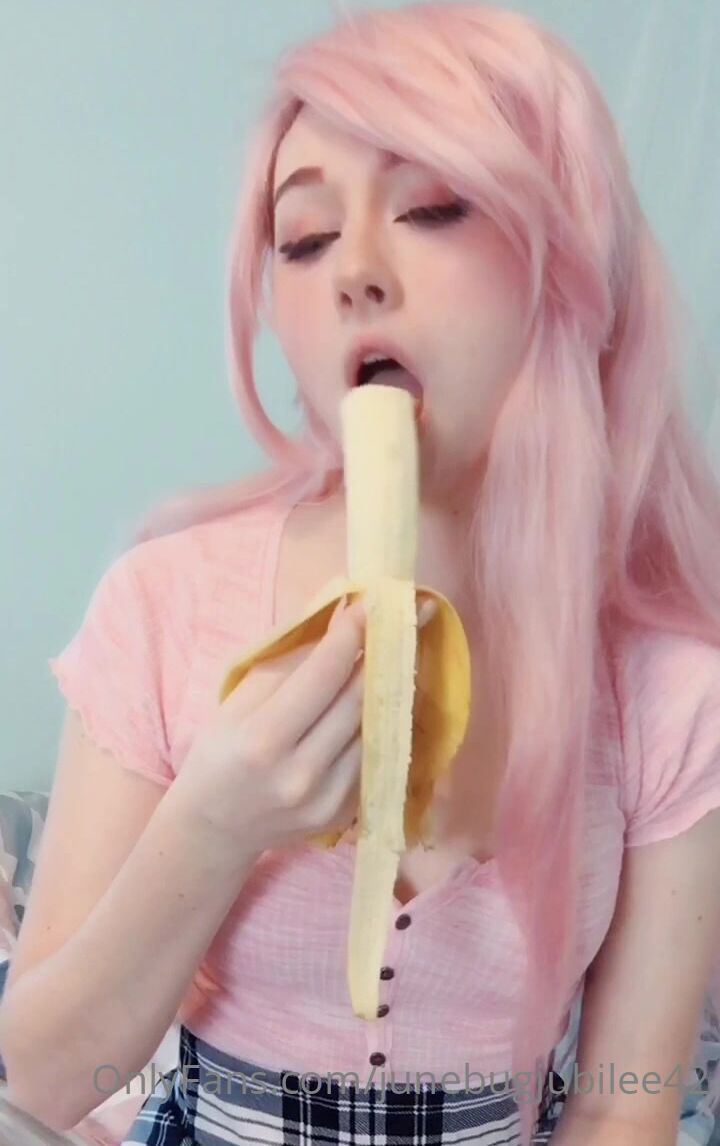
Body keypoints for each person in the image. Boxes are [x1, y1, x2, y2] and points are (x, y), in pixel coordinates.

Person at [2, 3, 720, 1144]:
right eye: (304, 238)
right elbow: (41, 1086)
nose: (355, 276)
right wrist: (213, 827)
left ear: (577, 269)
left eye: (432, 208)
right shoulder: (164, 606)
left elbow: (623, 1108)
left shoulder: (670, 685)